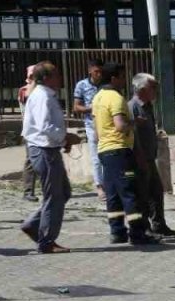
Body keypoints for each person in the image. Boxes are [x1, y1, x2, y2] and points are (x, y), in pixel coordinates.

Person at [92, 62, 158, 246]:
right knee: (130, 193)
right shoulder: (115, 98)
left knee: (113, 194)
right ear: (113, 78)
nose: (124, 81)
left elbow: (96, 131)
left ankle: (117, 232)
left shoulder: (98, 97)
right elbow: (120, 126)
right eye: (122, 77)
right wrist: (135, 122)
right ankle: (137, 233)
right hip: (120, 150)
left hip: (104, 150)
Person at [20, 62, 81, 254]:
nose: (60, 78)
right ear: (46, 78)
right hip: (43, 150)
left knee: (62, 192)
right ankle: (46, 241)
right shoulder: (42, 96)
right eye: (56, 75)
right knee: (54, 196)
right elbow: (44, 126)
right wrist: (65, 138)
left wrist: (63, 140)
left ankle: (34, 225)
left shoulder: (47, 95)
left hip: (49, 149)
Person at [129, 73, 175, 237]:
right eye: (153, 87)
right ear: (142, 89)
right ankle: (145, 228)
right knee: (142, 194)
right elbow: (132, 135)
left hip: (150, 157)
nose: (156, 91)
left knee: (156, 192)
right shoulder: (133, 107)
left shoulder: (148, 106)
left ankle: (159, 224)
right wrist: (139, 157)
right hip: (140, 158)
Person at [72, 59, 106, 199]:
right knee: (96, 157)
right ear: (90, 71)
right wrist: (91, 108)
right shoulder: (82, 85)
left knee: (107, 155)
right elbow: (76, 107)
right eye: (96, 71)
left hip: (106, 124)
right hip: (91, 124)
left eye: (101, 72)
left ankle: (109, 183)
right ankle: (99, 185)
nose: (99, 74)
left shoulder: (106, 85)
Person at [18, 65, 39, 203]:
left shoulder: (43, 90)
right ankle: (28, 191)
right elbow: (27, 98)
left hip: (42, 131)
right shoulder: (24, 90)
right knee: (31, 160)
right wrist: (33, 83)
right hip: (31, 131)